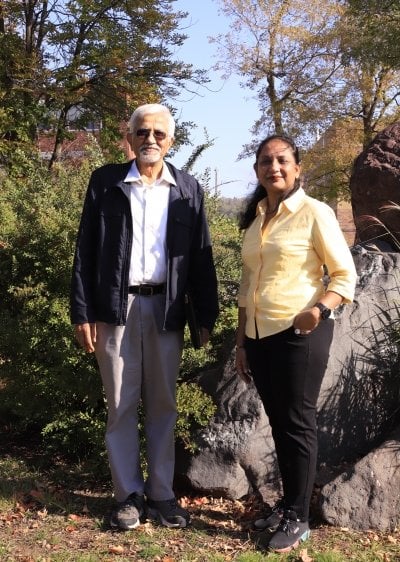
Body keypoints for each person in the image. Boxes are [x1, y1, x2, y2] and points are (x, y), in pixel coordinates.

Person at [70, 103, 218, 531]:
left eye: (159, 133)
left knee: (163, 405)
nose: (150, 140)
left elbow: (202, 257)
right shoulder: (106, 182)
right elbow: (85, 252)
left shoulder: (187, 187)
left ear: (171, 141)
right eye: (142, 132)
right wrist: (82, 311)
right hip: (113, 310)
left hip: (166, 310)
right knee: (120, 405)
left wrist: (205, 313)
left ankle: (162, 495)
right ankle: (127, 496)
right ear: (129, 138)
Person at [235, 134, 357, 553]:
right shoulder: (256, 218)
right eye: (266, 161)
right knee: (280, 425)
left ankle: (299, 518)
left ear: (297, 167)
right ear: (257, 171)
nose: (275, 167)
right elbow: (249, 283)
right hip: (259, 335)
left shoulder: (314, 212)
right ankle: (288, 505)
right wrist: (240, 343)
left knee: (298, 425)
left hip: (300, 333)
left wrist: (319, 310)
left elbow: (344, 275)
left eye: (282, 160)